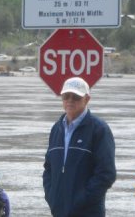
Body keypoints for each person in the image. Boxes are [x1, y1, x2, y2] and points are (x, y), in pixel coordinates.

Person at [43, 77, 116, 217]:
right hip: (59, 211)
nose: (70, 100)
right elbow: (49, 168)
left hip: (88, 212)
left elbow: (106, 174)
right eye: (66, 96)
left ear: (87, 99)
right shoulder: (56, 129)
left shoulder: (99, 129)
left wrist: (82, 200)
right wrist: (51, 197)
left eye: (76, 96)